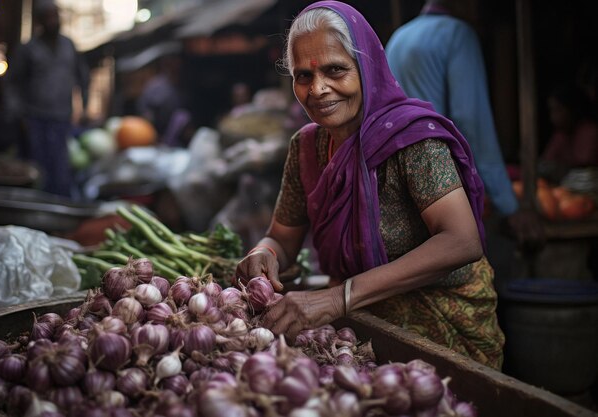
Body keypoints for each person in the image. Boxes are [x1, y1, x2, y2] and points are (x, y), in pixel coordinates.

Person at [235, 1, 505, 369]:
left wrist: (338, 297)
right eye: (303, 76)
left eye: (335, 70)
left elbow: (461, 240)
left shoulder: (412, 140)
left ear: (367, 68)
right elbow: (282, 238)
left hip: (444, 326)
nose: (318, 89)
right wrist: (263, 254)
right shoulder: (306, 148)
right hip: (359, 333)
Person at [385, 0, 543, 248]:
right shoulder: (458, 34)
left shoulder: (399, 36)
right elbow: (471, 121)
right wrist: (509, 205)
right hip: (439, 178)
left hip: (398, 178)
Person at [6, 0, 89, 197]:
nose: (53, 21)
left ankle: (59, 209)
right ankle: (35, 208)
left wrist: (84, 107)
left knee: (60, 168)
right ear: (40, 21)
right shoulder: (28, 49)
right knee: (36, 168)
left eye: (55, 15)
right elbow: (12, 83)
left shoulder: (69, 46)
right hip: (34, 118)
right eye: (48, 17)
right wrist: (18, 115)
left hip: (61, 117)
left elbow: (83, 78)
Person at [539, 83, 598, 181]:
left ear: (573, 109)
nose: (553, 116)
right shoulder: (560, 134)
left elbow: (584, 165)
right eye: (551, 111)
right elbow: (547, 160)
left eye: (558, 110)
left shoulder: (590, 131)